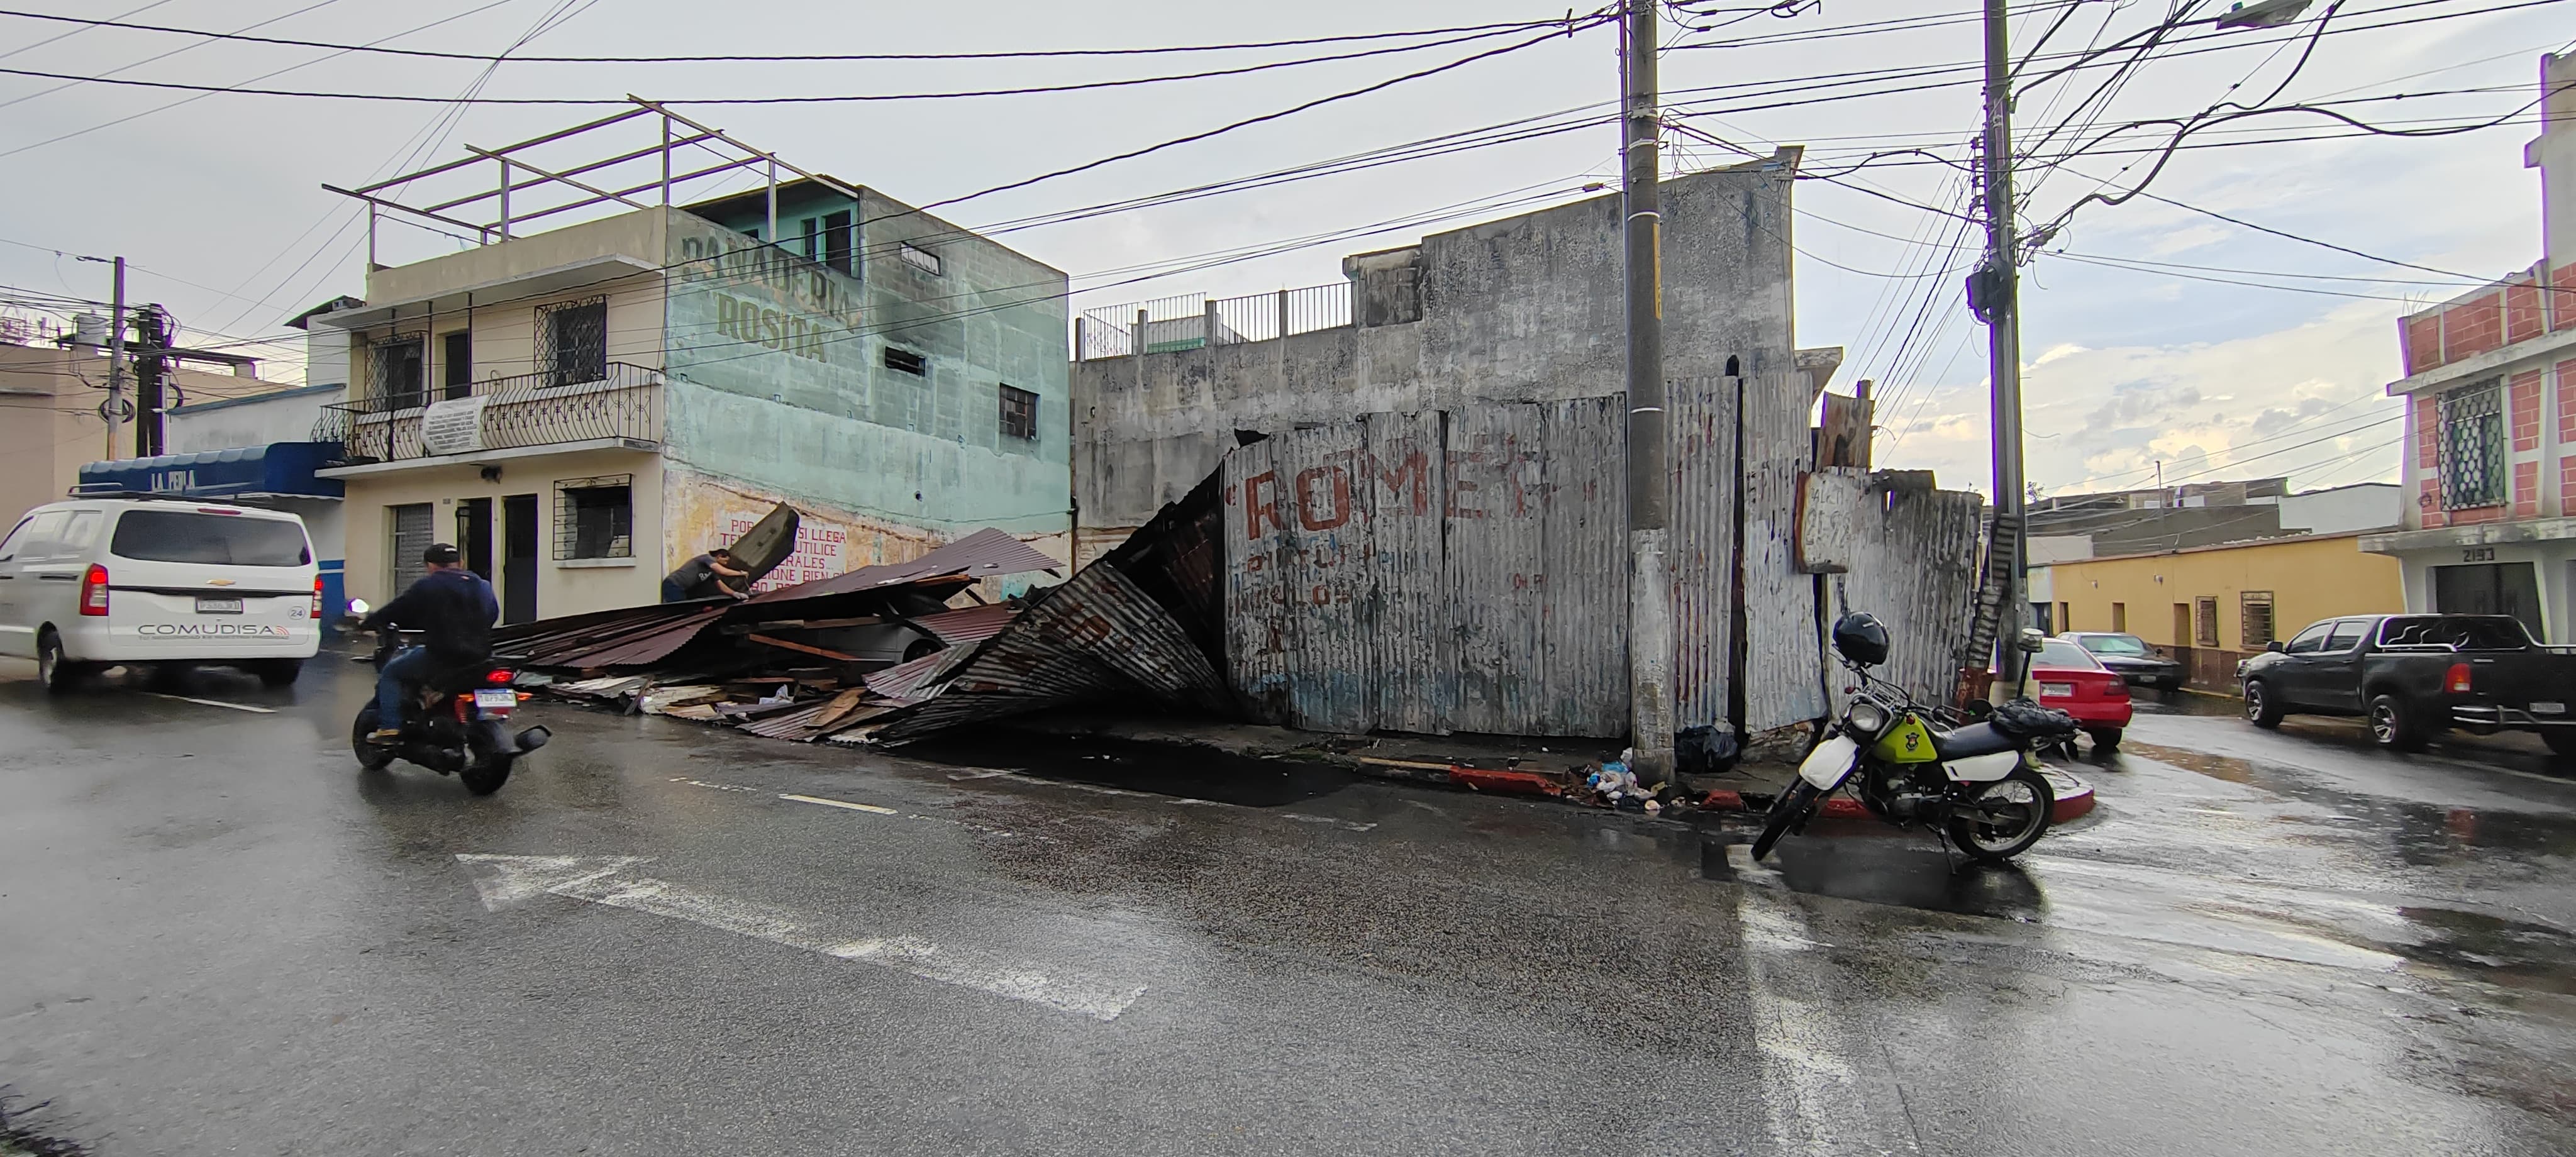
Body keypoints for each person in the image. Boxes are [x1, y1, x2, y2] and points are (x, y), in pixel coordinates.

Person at [360, 543, 499, 742]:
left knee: (391, 673)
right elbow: (492, 616)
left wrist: (370, 623)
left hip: (442, 656)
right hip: (481, 657)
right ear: (460, 563)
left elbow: (397, 610)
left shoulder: (428, 585)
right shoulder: (482, 586)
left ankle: (390, 728)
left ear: (430, 566)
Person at [662, 547, 751, 602]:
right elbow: (723, 571)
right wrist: (740, 573)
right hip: (674, 584)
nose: (726, 563)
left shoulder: (712, 571)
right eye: (725, 560)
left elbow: (721, 585)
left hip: (682, 589)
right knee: (676, 611)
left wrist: (735, 594)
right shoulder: (706, 558)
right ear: (719, 556)